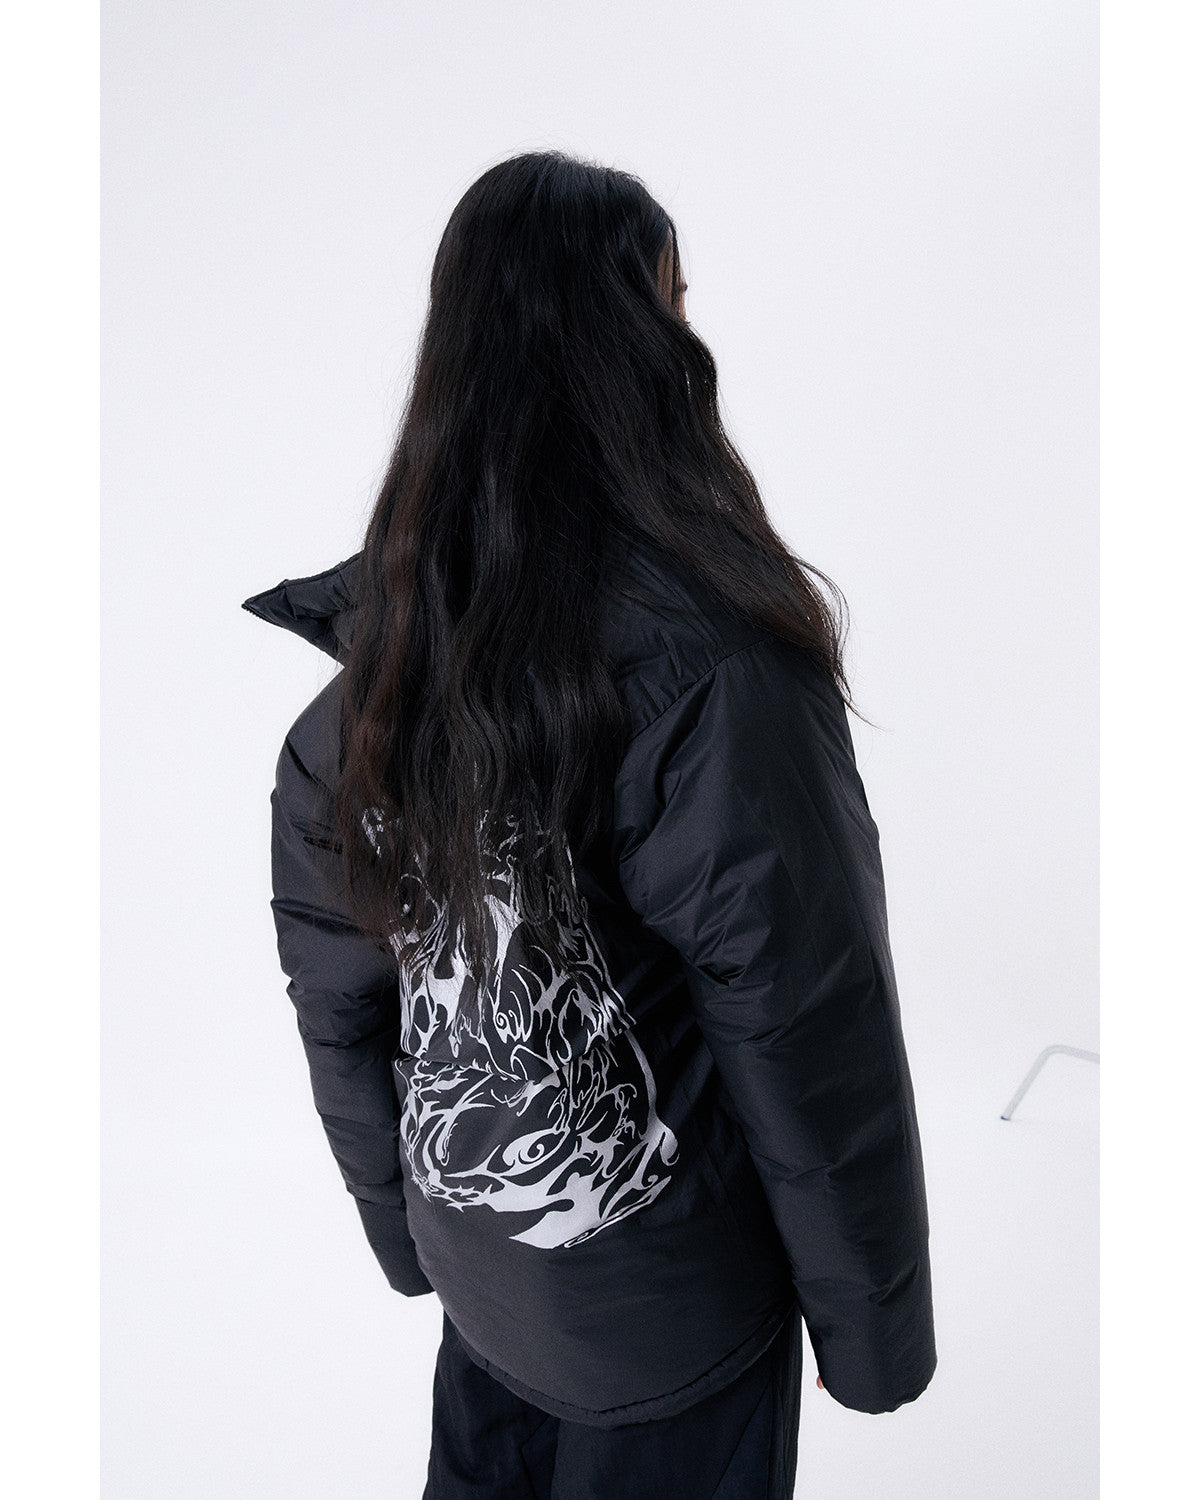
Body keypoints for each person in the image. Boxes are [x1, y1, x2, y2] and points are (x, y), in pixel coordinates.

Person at [243, 150, 936, 1499]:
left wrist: (410, 1237)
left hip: (489, 1287)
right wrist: (872, 1335)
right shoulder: (716, 670)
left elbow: (340, 1007)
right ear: (638, 344)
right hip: (678, 1317)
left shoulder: (371, 688)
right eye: (674, 304)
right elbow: (807, 1025)